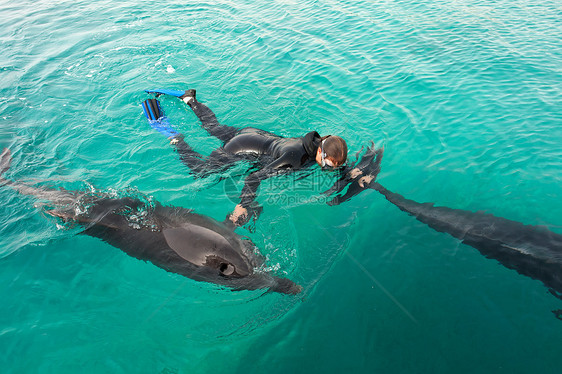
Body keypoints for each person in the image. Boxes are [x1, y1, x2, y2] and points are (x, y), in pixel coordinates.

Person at [141, 88, 348, 225]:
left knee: (214, 128)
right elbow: (254, 177)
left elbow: (337, 162)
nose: (329, 169)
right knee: (201, 172)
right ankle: (176, 138)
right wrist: (243, 205)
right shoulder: (296, 158)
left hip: (254, 135)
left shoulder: (318, 142)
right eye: (329, 165)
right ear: (321, 151)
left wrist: (349, 171)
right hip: (243, 148)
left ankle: (190, 99)